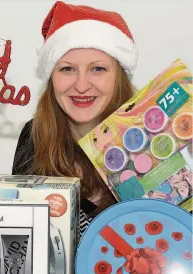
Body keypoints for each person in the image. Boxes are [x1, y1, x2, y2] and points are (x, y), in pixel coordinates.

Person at [12, 1, 138, 235]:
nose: (81, 85)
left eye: (98, 69)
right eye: (67, 69)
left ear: (119, 78)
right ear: (51, 78)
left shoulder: (148, 139)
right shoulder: (35, 136)